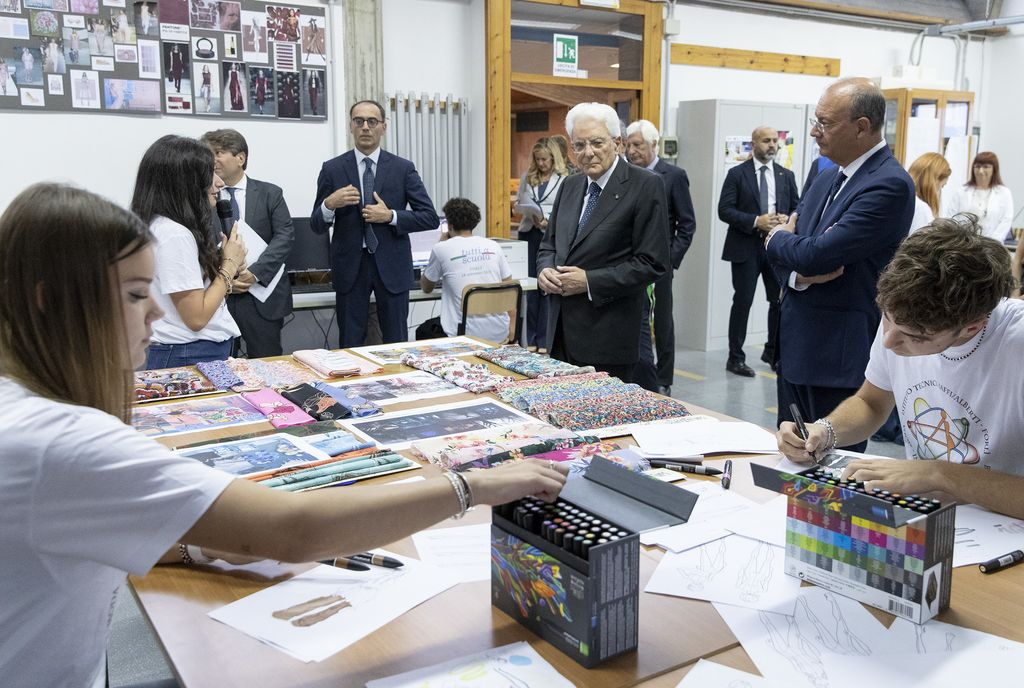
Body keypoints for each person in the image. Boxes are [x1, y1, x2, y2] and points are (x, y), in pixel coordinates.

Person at [0, 182, 568, 688]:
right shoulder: (61, 441)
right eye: (132, 294)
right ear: (49, 301)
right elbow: (296, 530)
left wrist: (199, 538)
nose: (154, 312)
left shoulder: (27, 414)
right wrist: (472, 486)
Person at [776, 217, 1024, 519]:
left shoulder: (1015, 345)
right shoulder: (904, 313)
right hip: (926, 516)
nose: (890, 341)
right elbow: (871, 402)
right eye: (887, 318)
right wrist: (825, 431)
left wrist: (939, 475)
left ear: (971, 328)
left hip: (1003, 530)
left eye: (915, 337)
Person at [765, 77, 915, 451]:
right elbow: (798, 253)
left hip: (837, 354)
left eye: (825, 123)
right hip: (795, 345)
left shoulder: (889, 184)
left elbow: (815, 252)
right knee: (790, 456)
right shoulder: (825, 174)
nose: (815, 132)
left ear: (862, 127)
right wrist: (797, 272)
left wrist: (777, 238)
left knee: (832, 476)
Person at [537, 102, 670, 382]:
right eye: (579, 145)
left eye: (597, 142)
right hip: (560, 333)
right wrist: (545, 270)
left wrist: (589, 282)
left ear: (618, 143)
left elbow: (652, 262)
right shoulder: (570, 186)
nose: (588, 153)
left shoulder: (645, 185)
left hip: (609, 336)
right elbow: (549, 245)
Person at [310, 99, 439, 346]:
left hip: (392, 266)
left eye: (372, 121)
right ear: (351, 127)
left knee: (396, 342)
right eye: (359, 121)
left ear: (383, 127)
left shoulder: (403, 168)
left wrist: (390, 216)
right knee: (349, 342)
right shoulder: (332, 169)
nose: (365, 127)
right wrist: (329, 204)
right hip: (350, 268)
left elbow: (429, 217)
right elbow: (316, 225)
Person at [132, 135, 247, 369]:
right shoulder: (174, 234)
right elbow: (196, 317)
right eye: (210, 173)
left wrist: (223, 263)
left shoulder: (158, 225)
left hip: (186, 351)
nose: (219, 182)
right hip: (187, 353)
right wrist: (229, 267)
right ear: (186, 181)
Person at [201, 129, 294, 358]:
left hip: (262, 298)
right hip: (219, 297)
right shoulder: (203, 196)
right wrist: (227, 275)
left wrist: (253, 273)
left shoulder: (269, 193)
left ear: (240, 158)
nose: (212, 159)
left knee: (268, 365)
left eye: (218, 152)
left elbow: (284, 236)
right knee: (221, 367)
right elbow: (200, 240)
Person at [719, 126, 800, 377]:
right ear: (753, 144)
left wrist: (789, 219)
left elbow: (798, 207)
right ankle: (735, 358)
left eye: (775, 141)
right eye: (766, 141)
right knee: (743, 302)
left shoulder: (786, 175)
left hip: (776, 248)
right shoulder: (737, 174)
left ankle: (772, 351)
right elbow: (725, 210)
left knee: (778, 301)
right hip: (746, 246)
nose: (772, 145)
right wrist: (756, 221)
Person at [625, 119, 697, 395]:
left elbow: (687, 224)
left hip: (660, 264)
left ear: (654, 144)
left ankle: (664, 379)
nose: (632, 151)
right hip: (631, 262)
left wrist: (670, 261)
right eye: (629, 145)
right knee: (636, 317)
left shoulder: (674, 176)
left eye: (638, 145)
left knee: (662, 321)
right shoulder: (627, 175)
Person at [421, 198, 514, 343]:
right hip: (500, 333)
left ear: (449, 225)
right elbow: (510, 288)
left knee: (423, 330)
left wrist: (441, 242)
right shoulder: (493, 246)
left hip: (464, 335)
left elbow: (426, 287)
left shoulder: (441, 248)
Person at [514, 138, 566, 352]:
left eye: (545, 159)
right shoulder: (528, 177)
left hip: (551, 235)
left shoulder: (564, 179)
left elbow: (566, 208)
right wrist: (528, 211)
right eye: (538, 159)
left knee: (547, 285)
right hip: (530, 234)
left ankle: (545, 340)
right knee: (530, 287)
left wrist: (548, 219)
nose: (542, 163)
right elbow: (518, 203)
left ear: (554, 158)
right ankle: (530, 340)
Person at [944, 151, 1014, 242]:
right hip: (963, 244)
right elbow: (951, 216)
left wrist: (992, 242)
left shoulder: (1004, 193)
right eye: (977, 166)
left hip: (991, 245)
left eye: (986, 167)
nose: (981, 171)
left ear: (994, 169)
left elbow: (1006, 220)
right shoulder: (962, 191)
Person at [907, 152, 951, 234]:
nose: (938, 192)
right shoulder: (921, 209)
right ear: (934, 182)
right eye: (941, 187)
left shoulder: (901, 199)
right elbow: (918, 246)